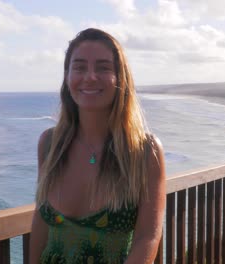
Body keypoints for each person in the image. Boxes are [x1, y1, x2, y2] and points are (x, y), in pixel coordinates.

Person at [29, 28, 166, 264]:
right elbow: (41, 221)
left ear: (120, 78)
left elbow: (147, 237)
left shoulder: (144, 151)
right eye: (80, 67)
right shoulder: (50, 145)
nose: (90, 76)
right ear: (67, 76)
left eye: (103, 67)